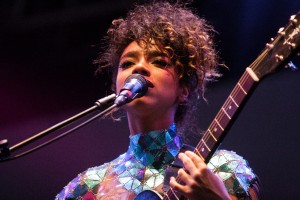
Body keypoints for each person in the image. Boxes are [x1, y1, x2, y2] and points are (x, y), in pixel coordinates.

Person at [56, 1, 261, 199]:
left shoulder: (219, 168)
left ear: (183, 90)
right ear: (116, 87)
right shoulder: (85, 189)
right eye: (127, 63)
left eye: (157, 61)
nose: (139, 68)